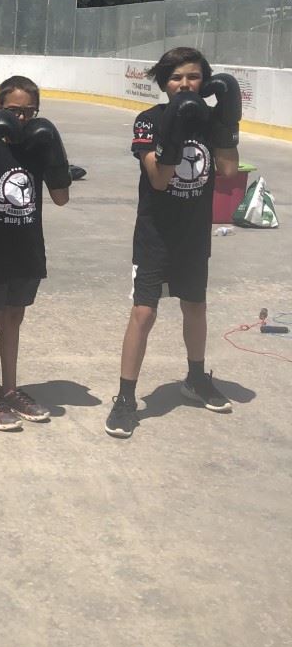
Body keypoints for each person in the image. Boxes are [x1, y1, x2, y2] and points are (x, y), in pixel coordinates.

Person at [105, 47, 241, 438]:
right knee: (143, 314)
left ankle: (195, 379)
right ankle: (127, 397)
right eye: (176, 77)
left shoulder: (210, 120)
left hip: (193, 236)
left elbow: (229, 171)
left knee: (195, 306)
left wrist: (228, 121)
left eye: (193, 77)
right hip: (155, 236)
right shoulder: (149, 120)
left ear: (206, 81)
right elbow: (160, 179)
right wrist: (174, 134)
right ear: (163, 83)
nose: (184, 84)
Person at [0, 76, 72, 430]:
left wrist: (56, 155)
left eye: (29, 111)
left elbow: (60, 198)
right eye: (14, 111)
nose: (22, 118)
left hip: (28, 246)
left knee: (14, 319)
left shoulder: (38, 145)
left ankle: (9, 389)